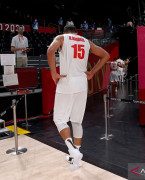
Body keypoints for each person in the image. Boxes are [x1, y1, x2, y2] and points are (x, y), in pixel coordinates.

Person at [47, 25, 110, 171]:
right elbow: (106, 55)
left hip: (67, 81)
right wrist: (92, 72)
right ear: (76, 32)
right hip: (82, 82)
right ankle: (76, 159)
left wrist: (53, 73)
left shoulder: (61, 38)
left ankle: (73, 151)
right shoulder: (86, 41)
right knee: (77, 121)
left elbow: (50, 50)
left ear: (64, 32)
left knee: (59, 119)